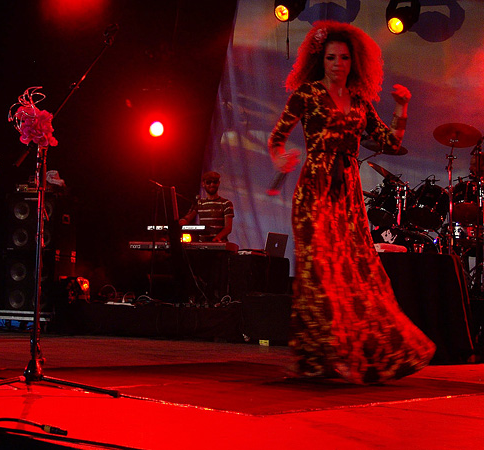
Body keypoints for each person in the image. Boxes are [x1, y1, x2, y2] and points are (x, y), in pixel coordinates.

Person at [268, 21, 435, 384]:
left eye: (344, 58)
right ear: (320, 60)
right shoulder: (307, 94)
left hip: (347, 195)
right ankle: (324, 355)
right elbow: (277, 136)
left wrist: (402, 108)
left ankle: (352, 352)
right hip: (314, 188)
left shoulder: (360, 101)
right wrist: (279, 156)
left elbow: (389, 142)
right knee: (320, 271)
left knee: (355, 273)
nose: (337, 63)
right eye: (331, 57)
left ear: (353, 61)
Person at [179, 171, 234, 242]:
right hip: (202, 245)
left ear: (218, 183)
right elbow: (187, 219)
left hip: (219, 246)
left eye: (215, 182)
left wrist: (217, 238)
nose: (212, 184)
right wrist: (181, 221)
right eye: (208, 182)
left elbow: (228, 228)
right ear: (203, 184)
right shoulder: (200, 203)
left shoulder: (226, 203)